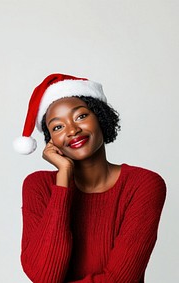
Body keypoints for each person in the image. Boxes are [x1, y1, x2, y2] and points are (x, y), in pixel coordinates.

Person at [13, 73, 166, 283]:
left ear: (101, 118)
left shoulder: (143, 184)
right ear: (51, 141)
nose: (72, 130)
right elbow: (44, 277)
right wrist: (64, 178)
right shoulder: (38, 186)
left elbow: (120, 280)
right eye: (58, 127)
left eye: (81, 116)